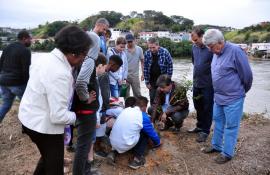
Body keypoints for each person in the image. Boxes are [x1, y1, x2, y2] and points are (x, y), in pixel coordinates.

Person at [18, 25, 91, 175]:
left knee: (48, 158)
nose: (84, 59)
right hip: (43, 127)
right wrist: (78, 117)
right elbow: (58, 116)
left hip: (29, 117)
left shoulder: (47, 58)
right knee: (55, 168)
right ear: (73, 53)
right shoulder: (60, 73)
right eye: (84, 54)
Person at [201, 29, 253, 164]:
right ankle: (216, 146)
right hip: (218, 97)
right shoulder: (216, 52)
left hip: (233, 98)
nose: (210, 50)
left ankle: (227, 153)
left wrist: (239, 92)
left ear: (220, 42)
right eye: (208, 47)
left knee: (231, 126)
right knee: (217, 121)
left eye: (211, 47)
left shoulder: (236, 51)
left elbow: (247, 76)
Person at [72, 18, 109, 175]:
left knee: (85, 144)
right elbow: (80, 82)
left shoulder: (79, 59)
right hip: (86, 109)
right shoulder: (88, 61)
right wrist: (85, 98)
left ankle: (86, 170)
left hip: (84, 108)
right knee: (83, 146)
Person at [107, 96, 161, 169]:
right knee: (145, 133)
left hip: (112, 142)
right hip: (125, 143)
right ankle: (137, 160)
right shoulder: (143, 117)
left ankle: (113, 152)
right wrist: (158, 143)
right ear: (144, 107)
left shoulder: (125, 110)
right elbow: (152, 133)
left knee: (123, 128)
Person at [188, 27, 214, 142]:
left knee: (207, 107)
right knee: (197, 105)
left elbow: (216, 65)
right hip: (196, 82)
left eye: (196, 39)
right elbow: (194, 62)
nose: (195, 42)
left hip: (208, 84)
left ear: (202, 36)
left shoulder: (210, 49)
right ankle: (199, 126)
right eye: (193, 40)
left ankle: (205, 131)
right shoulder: (194, 47)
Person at [0, 30, 32, 123]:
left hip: (3, 81)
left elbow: (0, 64)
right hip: (17, 83)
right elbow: (25, 71)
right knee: (28, 105)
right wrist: (28, 85)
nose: (31, 41)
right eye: (30, 39)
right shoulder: (25, 51)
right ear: (24, 38)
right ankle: (28, 126)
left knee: (6, 105)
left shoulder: (7, 47)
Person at [144, 37, 173, 105]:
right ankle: (153, 114)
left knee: (163, 99)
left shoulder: (165, 52)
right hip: (152, 80)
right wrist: (147, 82)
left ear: (158, 45)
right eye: (150, 47)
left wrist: (168, 81)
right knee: (152, 98)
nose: (151, 49)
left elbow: (170, 66)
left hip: (163, 80)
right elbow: (145, 68)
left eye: (153, 47)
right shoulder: (147, 53)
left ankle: (164, 114)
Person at [125, 33, 144, 98]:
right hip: (125, 76)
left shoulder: (139, 49)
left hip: (135, 76)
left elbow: (142, 62)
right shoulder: (123, 49)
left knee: (137, 94)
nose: (130, 43)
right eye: (128, 42)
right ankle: (127, 107)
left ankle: (138, 107)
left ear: (134, 40)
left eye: (131, 41)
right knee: (125, 95)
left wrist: (143, 74)